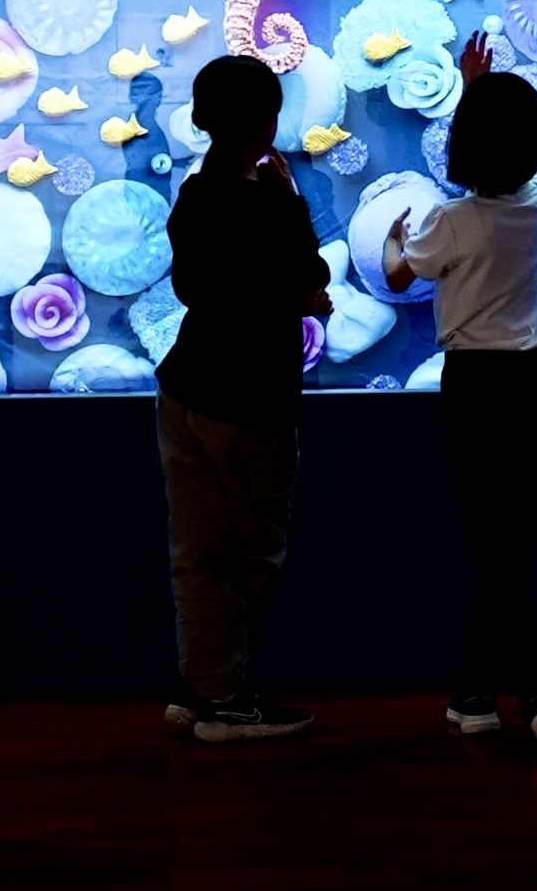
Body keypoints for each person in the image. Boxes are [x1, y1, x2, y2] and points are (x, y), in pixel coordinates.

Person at [384, 32, 537, 743]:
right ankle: (505, 693)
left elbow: (399, 274)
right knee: (512, 543)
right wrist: (482, 90)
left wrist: (391, 237)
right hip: (535, 384)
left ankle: (502, 693)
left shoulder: (446, 223)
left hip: (473, 386)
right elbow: (502, 159)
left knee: (494, 546)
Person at [156, 54, 333, 744]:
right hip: (251, 397)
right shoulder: (269, 203)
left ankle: (200, 685)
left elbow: (199, 289)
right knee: (253, 550)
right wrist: (291, 214)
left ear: (201, 119)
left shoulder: (194, 197)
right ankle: (224, 696)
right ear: (268, 123)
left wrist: (288, 291)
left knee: (196, 548)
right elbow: (310, 271)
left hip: (186, 388)